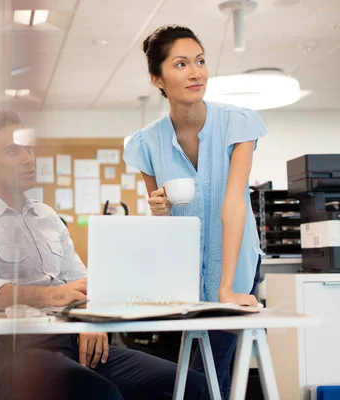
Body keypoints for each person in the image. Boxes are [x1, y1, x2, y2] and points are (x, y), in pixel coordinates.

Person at [0, 108, 208, 400]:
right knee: (101, 394)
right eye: (13, 151)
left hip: (74, 343)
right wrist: (52, 295)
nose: (28, 158)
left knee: (190, 386)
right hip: (11, 355)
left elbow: (84, 281)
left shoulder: (47, 217)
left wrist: (91, 319)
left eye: (28, 147)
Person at [123, 25, 266, 399]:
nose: (195, 72)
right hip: (184, 278)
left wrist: (226, 288)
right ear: (157, 78)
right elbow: (163, 221)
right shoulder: (145, 143)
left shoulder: (238, 123)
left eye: (200, 61)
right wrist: (159, 208)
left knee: (207, 378)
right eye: (181, 64)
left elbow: (234, 203)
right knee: (194, 374)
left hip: (233, 268)